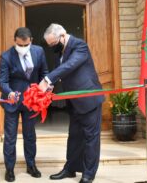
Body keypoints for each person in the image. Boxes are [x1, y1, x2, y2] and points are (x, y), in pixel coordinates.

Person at [38, 23, 104, 183]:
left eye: (53, 43)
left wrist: (47, 80)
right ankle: (70, 169)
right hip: (73, 101)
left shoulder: (79, 46)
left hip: (89, 99)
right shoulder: (59, 50)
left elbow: (70, 65)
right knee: (74, 137)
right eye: (49, 45)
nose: (52, 47)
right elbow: (59, 69)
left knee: (90, 138)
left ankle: (88, 174)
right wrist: (51, 87)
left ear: (63, 35)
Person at [0, 27, 48, 182]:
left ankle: (31, 165)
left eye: (26, 45)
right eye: (20, 45)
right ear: (15, 41)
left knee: (30, 135)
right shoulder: (6, 56)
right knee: (10, 137)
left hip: (31, 102)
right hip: (13, 101)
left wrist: (45, 87)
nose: (23, 48)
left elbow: (44, 73)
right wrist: (9, 92)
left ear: (31, 41)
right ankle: (10, 169)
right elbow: (2, 81)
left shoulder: (39, 52)